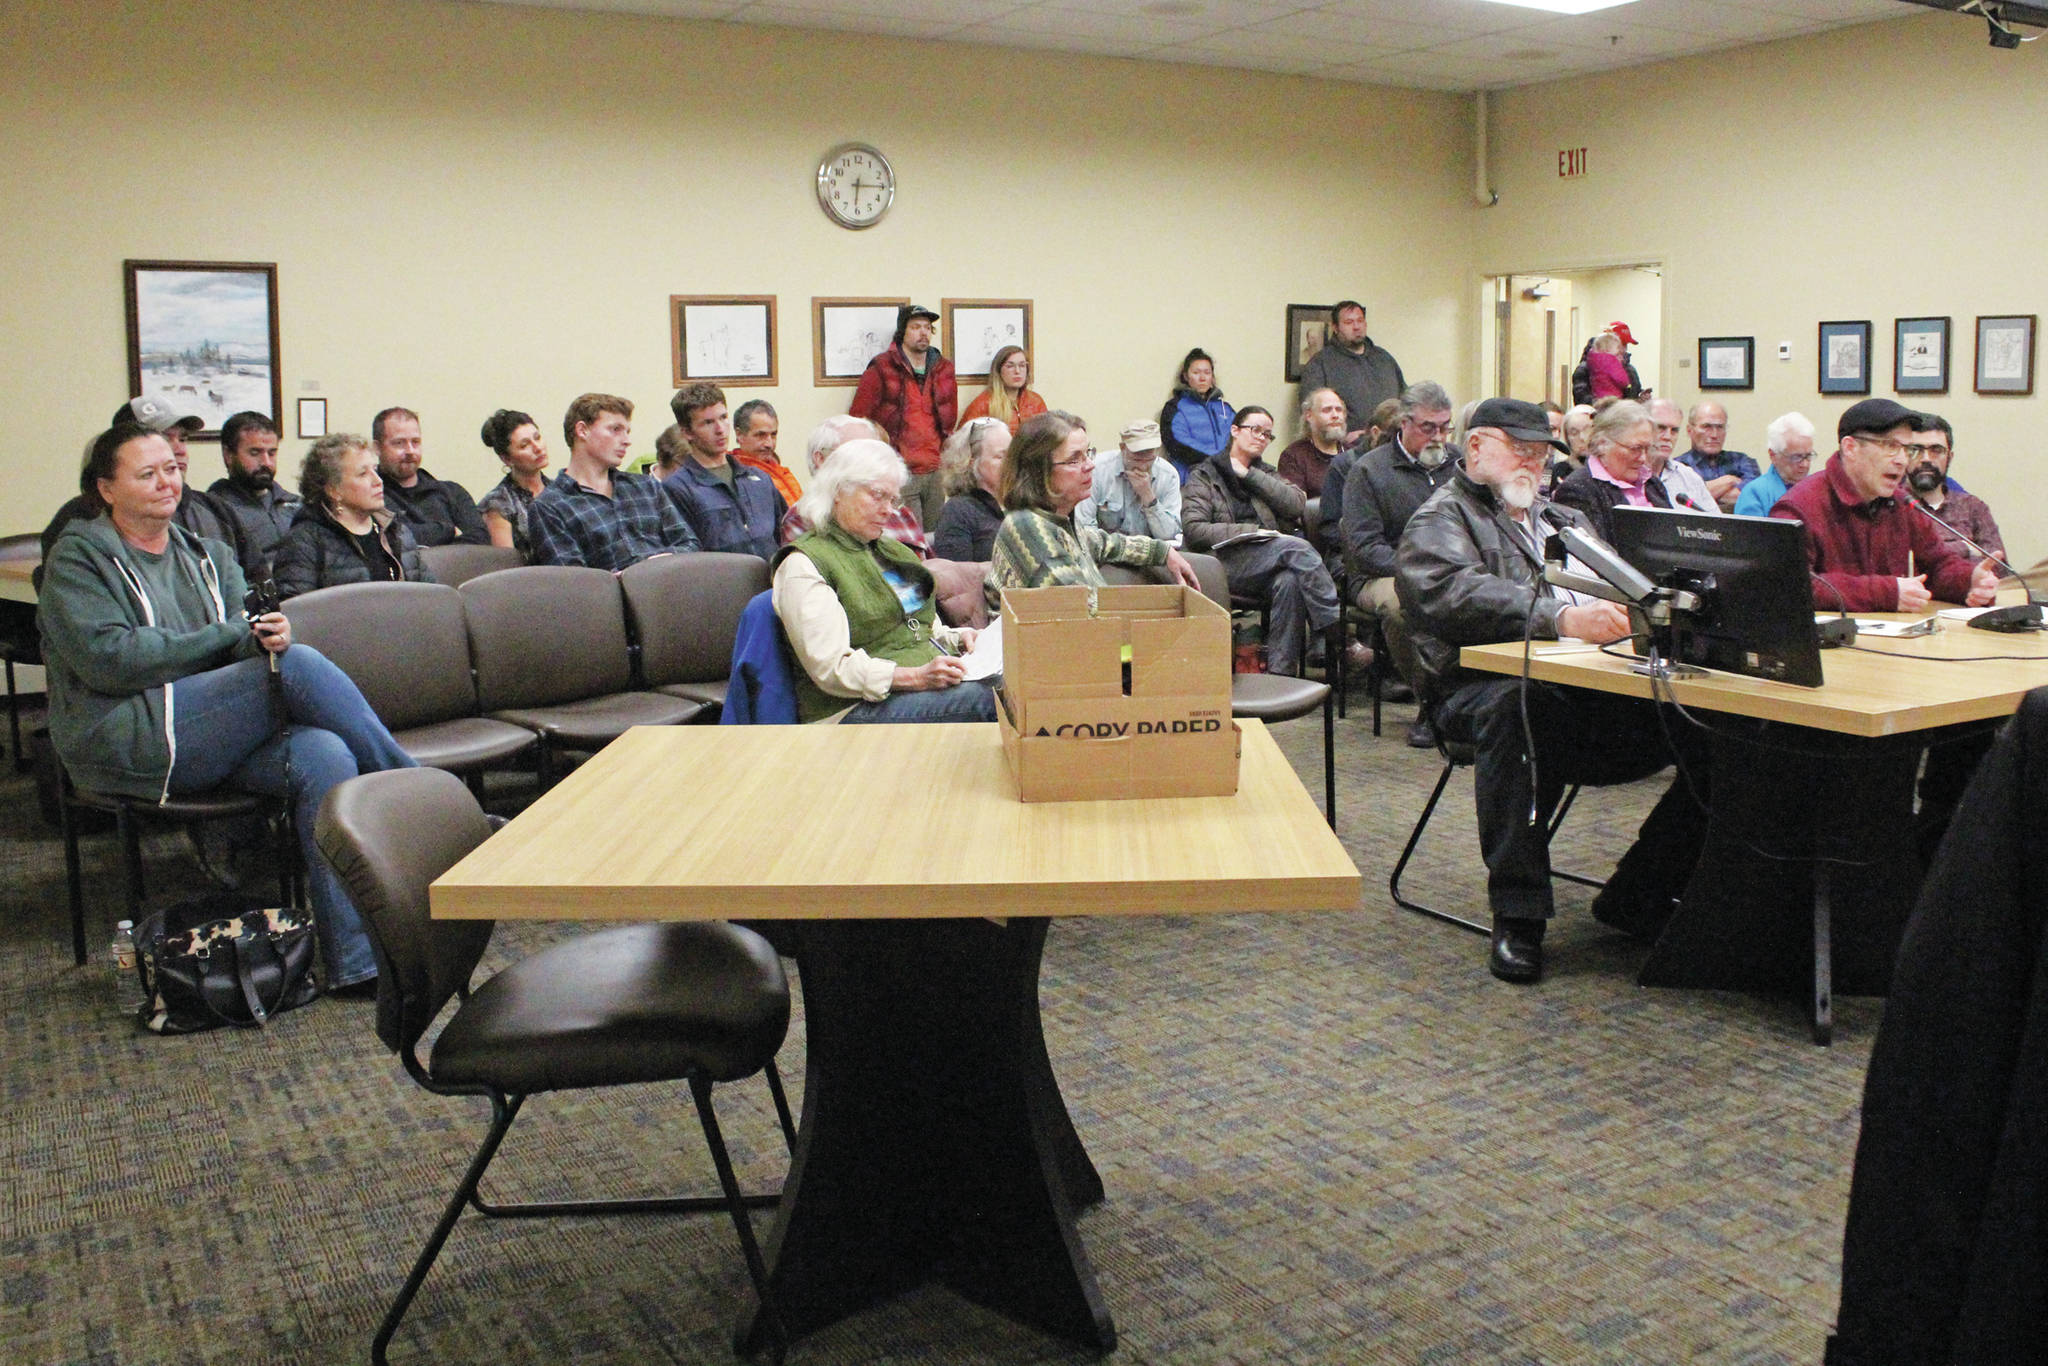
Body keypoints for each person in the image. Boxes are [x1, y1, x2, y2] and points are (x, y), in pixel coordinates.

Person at [38, 422, 418, 990]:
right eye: (148, 473)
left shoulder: (209, 553)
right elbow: (111, 661)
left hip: (210, 729)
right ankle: (420, 797)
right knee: (299, 666)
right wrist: (229, 638)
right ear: (106, 489)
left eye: (172, 468)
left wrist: (261, 635)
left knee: (324, 754)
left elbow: (239, 639)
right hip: (126, 736)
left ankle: (354, 962)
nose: (168, 481)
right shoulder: (78, 559)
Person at [1395, 397, 1708, 985]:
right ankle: (1518, 913)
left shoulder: (1560, 518)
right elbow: (1452, 595)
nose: (1534, 464)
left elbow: (1619, 582)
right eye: (1522, 450)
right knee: (1520, 708)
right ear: (1479, 446)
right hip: (1474, 690)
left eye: (1542, 454)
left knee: (1712, 726)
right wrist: (1560, 619)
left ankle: (1640, 890)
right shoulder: (1439, 520)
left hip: (1581, 687)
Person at [771, 439, 995, 725]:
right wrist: (917, 676)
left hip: (911, 691)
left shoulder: (894, 552)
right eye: (878, 495)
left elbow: (922, 628)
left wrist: (958, 639)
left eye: (893, 499)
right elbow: (831, 668)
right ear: (838, 491)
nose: (889, 510)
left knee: (1014, 684)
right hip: (848, 709)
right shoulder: (804, 564)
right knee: (988, 700)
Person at [1772, 398, 1998, 612]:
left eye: (1907, 449)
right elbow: (1793, 586)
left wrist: (1969, 581)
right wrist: (1888, 592)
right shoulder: (1798, 507)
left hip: (1891, 639)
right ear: (1850, 448)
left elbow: (1938, 565)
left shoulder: (1900, 503)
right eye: (1891, 446)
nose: (1902, 460)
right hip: (1831, 645)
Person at [1339, 381, 1460, 745]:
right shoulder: (1369, 471)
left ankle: (1472, 701)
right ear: (1404, 424)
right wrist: (1419, 571)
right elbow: (1364, 549)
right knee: (1402, 605)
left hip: (1448, 571)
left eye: (1444, 427)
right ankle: (1432, 702)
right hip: (1380, 575)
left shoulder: (1457, 466)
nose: (1438, 437)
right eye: (1428, 428)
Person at [1183, 406, 1342, 678]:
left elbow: (1296, 505)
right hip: (1221, 565)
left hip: (1264, 562)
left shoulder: (1264, 473)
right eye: (1255, 430)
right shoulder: (1205, 475)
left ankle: (1280, 678)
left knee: (1289, 582)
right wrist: (1251, 531)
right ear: (1235, 430)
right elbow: (1195, 529)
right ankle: (1330, 629)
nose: (1261, 437)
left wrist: (1249, 475)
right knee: (1296, 547)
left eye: (1267, 434)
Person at [989, 411, 1200, 605]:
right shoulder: (1027, 527)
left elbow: (1104, 543)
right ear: (1038, 471)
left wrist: (1163, 552)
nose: (1090, 465)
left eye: (1088, 453)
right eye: (1074, 459)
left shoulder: (1059, 520)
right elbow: (1082, 609)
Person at [43, 397, 247, 572]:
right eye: (163, 438)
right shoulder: (78, 522)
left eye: (183, 438)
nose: (179, 449)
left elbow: (256, 588)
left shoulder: (215, 509)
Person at [528, 393, 700, 571]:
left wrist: (662, 560)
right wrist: (633, 574)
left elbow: (689, 544)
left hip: (666, 586)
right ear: (582, 430)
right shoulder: (550, 506)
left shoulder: (646, 487)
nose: (627, 441)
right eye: (615, 429)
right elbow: (574, 582)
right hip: (608, 595)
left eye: (627, 432)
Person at [273, 433, 433, 598]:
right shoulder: (304, 542)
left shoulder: (396, 531)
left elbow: (430, 598)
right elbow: (297, 612)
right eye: (363, 474)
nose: (378, 481)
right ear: (334, 490)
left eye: (375, 470)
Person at [849, 303, 955, 529]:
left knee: (934, 536)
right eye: (916, 327)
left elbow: (949, 415)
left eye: (927, 327)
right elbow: (859, 418)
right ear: (902, 332)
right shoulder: (882, 366)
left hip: (935, 468)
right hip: (899, 469)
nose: (923, 332)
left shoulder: (943, 368)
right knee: (909, 537)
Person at [661, 382, 784, 561]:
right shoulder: (677, 488)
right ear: (687, 432)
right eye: (708, 423)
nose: (720, 429)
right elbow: (687, 556)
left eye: (723, 418)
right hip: (721, 584)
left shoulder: (759, 478)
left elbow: (784, 536)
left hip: (772, 581)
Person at [781, 415, 930, 557]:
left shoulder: (900, 513)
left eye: (876, 454)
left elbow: (928, 569)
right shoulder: (805, 518)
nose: (874, 463)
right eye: (858, 455)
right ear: (821, 460)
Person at [1554, 399, 1673, 542]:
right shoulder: (1578, 490)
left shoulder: (1652, 484)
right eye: (1635, 449)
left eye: (1648, 448)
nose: (1643, 458)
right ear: (1603, 444)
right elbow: (1594, 555)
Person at [372, 407, 489, 546]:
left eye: (415, 442)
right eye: (399, 443)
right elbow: (393, 538)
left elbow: (480, 541)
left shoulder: (453, 492)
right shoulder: (371, 497)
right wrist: (448, 531)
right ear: (377, 448)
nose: (410, 451)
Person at [1903, 413, 2005, 567]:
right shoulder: (1892, 505)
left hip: (1973, 590)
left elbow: (1998, 566)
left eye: (1936, 450)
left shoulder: (1973, 507)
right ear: (1904, 455)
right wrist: (1964, 548)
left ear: (1949, 457)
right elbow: (1905, 562)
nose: (1926, 458)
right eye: (1916, 450)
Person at [207, 410, 299, 579]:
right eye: (255, 453)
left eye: (272, 453)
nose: (266, 462)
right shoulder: (214, 510)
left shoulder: (295, 503)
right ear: (228, 455)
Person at [1299, 301, 1405, 442]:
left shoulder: (1384, 359)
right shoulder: (1320, 364)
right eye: (1349, 322)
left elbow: (1405, 399)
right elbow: (1311, 411)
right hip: (1346, 449)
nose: (1356, 327)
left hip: (1390, 445)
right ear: (1335, 328)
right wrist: (1343, 436)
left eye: (1360, 321)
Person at [1075, 418, 1183, 543]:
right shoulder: (1097, 470)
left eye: (1149, 460)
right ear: (1122, 448)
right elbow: (1084, 528)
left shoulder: (1168, 475)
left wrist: (1148, 497)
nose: (1143, 467)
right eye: (1136, 459)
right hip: (1106, 554)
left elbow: (1170, 535)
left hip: (1154, 554)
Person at [929, 417, 1012, 563]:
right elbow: (955, 577)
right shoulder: (958, 511)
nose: (1011, 463)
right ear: (972, 462)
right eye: (1000, 457)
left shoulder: (1022, 503)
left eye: (1012, 455)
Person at [477, 408, 549, 559]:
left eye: (538, 437)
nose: (537, 447)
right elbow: (507, 565)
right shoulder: (497, 504)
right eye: (524, 445)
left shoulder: (560, 490)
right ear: (507, 459)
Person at [1158, 347, 1234, 481]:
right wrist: (1216, 459)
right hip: (1191, 477)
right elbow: (1177, 443)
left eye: (1207, 372)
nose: (1202, 378)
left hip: (1227, 477)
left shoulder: (1225, 408)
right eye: (1196, 372)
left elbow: (1240, 436)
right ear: (1186, 376)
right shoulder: (1175, 407)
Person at [1677, 401, 1759, 511]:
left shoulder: (1743, 461)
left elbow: (1753, 496)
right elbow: (1680, 501)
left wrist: (1705, 492)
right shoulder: (1678, 467)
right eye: (1706, 426)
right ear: (1689, 430)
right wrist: (1730, 480)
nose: (1714, 435)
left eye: (1720, 427)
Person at [1732, 412, 1816, 517]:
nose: (1805, 464)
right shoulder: (1754, 494)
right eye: (1796, 457)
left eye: (1808, 456)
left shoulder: (1817, 489)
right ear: (1773, 455)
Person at [1644, 401, 1718, 514]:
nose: (1668, 437)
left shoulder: (1689, 477)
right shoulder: (1628, 474)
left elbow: (1717, 523)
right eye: (1660, 428)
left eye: (1674, 430)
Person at [1277, 387, 1349, 505]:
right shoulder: (1293, 456)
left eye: (1339, 410)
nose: (1335, 415)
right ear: (1309, 416)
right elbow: (1295, 507)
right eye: (1327, 410)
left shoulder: (1353, 453)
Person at [959, 345, 1046, 434]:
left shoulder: (1036, 402)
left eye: (1022, 365)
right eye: (1010, 366)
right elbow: (963, 441)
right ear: (999, 371)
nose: (1017, 371)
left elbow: (1048, 439)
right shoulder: (984, 404)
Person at [731, 399, 801, 508]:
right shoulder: (734, 477)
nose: (769, 444)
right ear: (739, 435)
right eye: (760, 435)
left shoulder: (781, 472)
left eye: (773, 435)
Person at [1570, 321, 1645, 405]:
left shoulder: (1629, 369)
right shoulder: (1585, 369)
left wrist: (1640, 397)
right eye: (1621, 345)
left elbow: (1633, 392)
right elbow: (1581, 397)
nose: (1624, 350)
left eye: (1625, 345)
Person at [1584, 332, 1633, 401]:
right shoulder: (1611, 361)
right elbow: (1621, 378)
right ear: (1608, 348)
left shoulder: (1593, 360)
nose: (1619, 350)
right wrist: (1628, 384)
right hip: (1613, 395)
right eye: (1617, 347)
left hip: (1598, 395)